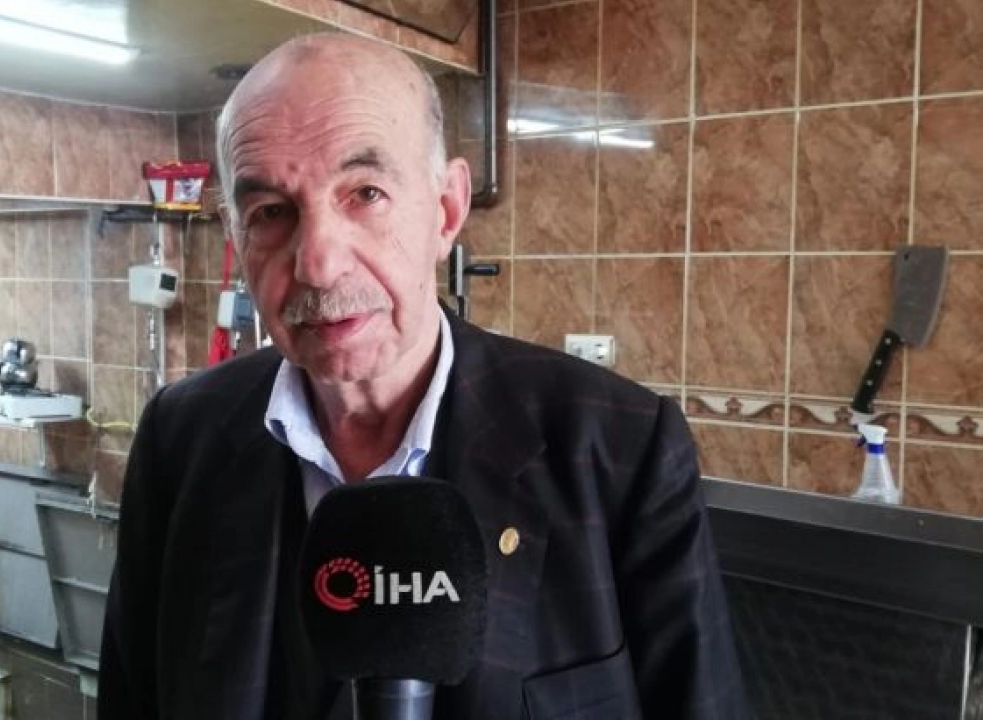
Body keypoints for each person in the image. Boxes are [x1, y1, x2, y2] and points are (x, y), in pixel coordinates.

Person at [98, 31, 749, 720]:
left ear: (446, 210)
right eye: (270, 213)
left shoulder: (618, 447)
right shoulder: (181, 436)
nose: (318, 263)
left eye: (366, 193)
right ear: (237, 234)